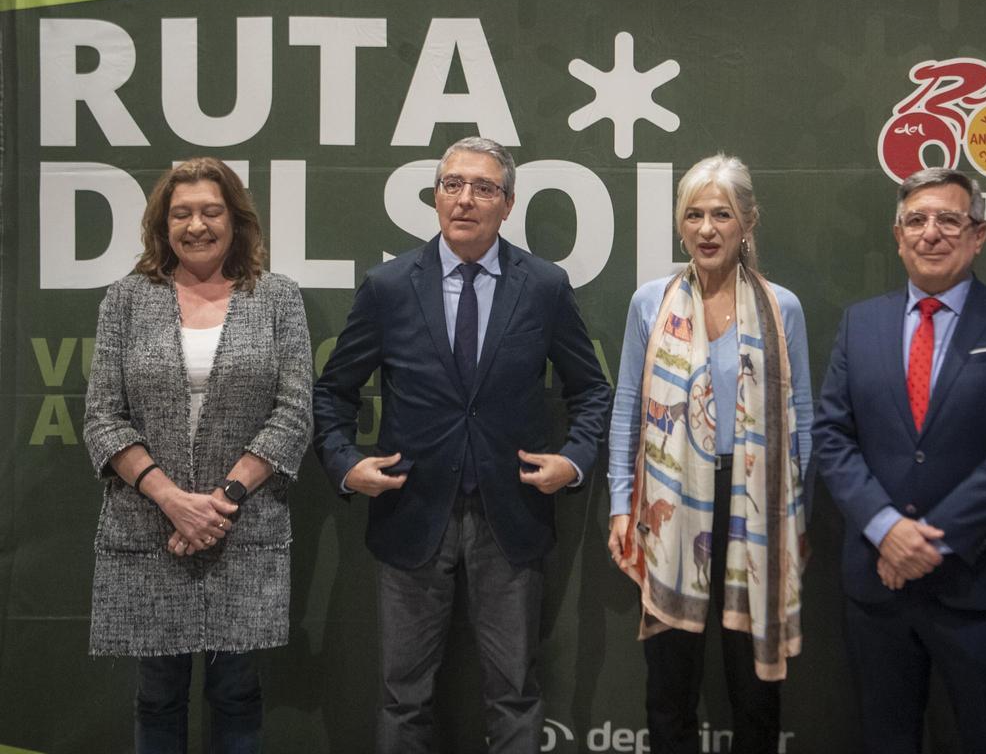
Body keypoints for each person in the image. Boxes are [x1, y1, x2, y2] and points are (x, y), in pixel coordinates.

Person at [311, 136, 611, 754]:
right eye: (452, 184)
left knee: (515, 694)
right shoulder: (390, 287)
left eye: (483, 188)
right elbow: (331, 392)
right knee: (403, 696)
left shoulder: (545, 286)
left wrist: (575, 459)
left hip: (512, 515)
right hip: (411, 515)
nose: (465, 199)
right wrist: (345, 465)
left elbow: (592, 391)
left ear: (508, 203)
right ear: (436, 196)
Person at [812, 167, 986, 754]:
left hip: (983, 584)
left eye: (949, 219)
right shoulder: (859, 324)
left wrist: (926, 542)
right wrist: (887, 529)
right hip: (879, 586)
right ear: (897, 237)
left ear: (978, 236)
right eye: (916, 220)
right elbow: (832, 435)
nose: (931, 233)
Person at [83, 157, 313, 753]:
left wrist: (220, 502)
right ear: (162, 226)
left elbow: (293, 414)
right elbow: (103, 417)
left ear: (235, 221)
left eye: (211, 211)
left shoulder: (278, 300)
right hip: (148, 530)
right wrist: (172, 501)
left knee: (236, 693)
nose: (196, 225)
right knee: (157, 695)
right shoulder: (127, 300)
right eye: (180, 213)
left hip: (243, 528)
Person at [607, 154, 812, 754]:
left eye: (721, 214)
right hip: (671, 504)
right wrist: (622, 503)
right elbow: (626, 408)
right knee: (670, 685)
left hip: (759, 510)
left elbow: (804, 419)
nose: (706, 228)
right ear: (679, 224)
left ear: (748, 221)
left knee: (754, 689)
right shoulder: (650, 303)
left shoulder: (783, 308)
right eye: (693, 214)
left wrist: (798, 513)